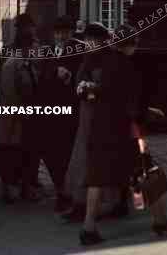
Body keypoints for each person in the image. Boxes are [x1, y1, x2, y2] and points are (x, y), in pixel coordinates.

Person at [79, 23, 167, 245]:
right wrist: (145, 115)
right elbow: (130, 103)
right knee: (147, 173)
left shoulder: (98, 62)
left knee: (97, 178)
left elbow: (98, 92)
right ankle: (160, 220)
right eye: (134, 44)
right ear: (130, 45)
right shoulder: (126, 66)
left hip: (100, 128)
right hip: (125, 132)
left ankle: (88, 227)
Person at [62, 22, 110, 222]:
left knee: (99, 161)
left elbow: (112, 86)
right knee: (82, 158)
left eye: (92, 40)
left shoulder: (110, 59)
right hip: (86, 114)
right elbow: (79, 79)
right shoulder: (87, 58)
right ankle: (79, 203)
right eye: (87, 39)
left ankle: (104, 205)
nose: (88, 43)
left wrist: (95, 88)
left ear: (101, 40)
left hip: (103, 116)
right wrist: (80, 86)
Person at [35, 15, 85, 212]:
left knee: (67, 153)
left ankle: (67, 193)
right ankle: (60, 190)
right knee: (51, 153)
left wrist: (69, 75)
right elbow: (42, 76)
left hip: (71, 111)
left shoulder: (79, 49)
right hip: (50, 113)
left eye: (64, 31)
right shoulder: (47, 51)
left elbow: (84, 73)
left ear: (72, 32)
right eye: (57, 32)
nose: (60, 35)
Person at [0, 14, 40, 203]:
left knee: (17, 149)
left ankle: (22, 185)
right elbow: (5, 82)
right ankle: (15, 188)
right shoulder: (14, 55)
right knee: (13, 149)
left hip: (16, 109)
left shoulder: (20, 51)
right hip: (16, 109)